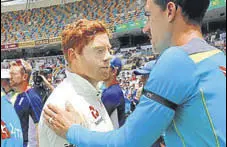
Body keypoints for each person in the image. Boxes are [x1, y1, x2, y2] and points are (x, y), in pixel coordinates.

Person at [43, 0, 226, 146]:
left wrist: (73, 130)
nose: (145, 28)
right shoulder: (218, 57)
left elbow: (127, 142)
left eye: (148, 15)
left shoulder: (177, 60)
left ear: (170, 11)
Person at [39, 19, 114, 147]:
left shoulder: (89, 93)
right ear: (73, 55)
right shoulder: (62, 106)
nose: (108, 56)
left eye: (109, 50)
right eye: (99, 50)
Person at [9, 59, 43, 147]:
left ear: (24, 77)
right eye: (10, 74)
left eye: (14, 74)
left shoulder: (32, 98)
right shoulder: (20, 96)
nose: (10, 77)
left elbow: (40, 128)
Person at [101, 57, 125, 129]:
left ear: (114, 71)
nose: (101, 70)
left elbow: (98, 120)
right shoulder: (113, 89)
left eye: (105, 67)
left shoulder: (112, 93)